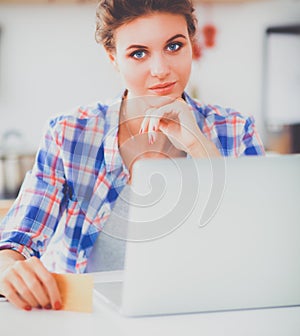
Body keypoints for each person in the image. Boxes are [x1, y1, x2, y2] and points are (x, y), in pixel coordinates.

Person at [0, 0, 264, 311]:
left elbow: (257, 251)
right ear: (113, 58)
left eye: (174, 46)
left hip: (199, 315)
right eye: (138, 53)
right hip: (87, 319)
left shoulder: (234, 130)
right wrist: (9, 269)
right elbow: (15, 245)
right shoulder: (70, 134)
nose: (161, 69)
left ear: (191, 44)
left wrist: (198, 146)